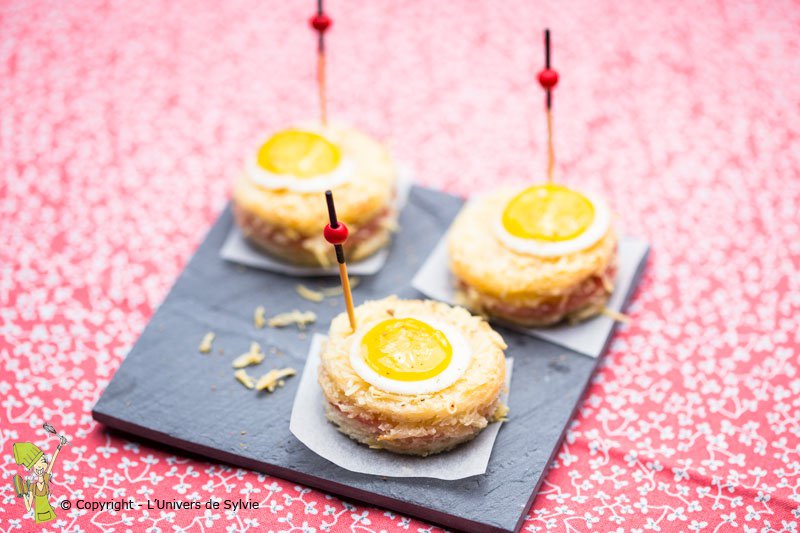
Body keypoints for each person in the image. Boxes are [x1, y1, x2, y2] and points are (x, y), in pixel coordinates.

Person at [13, 435, 68, 524]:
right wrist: (23, 494)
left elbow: (52, 462)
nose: (41, 467)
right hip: (40, 516)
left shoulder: (46, 478)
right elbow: (28, 507)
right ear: (32, 468)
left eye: (43, 462)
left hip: (49, 513)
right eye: (37, 464)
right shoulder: (32, 486)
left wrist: (60, 446)